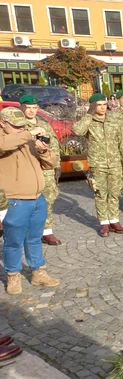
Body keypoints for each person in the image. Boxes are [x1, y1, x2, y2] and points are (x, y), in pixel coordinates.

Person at [0, 107, 60, 295]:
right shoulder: (6, 139)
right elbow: (3, 146)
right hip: (15, 199)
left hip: (37, 197)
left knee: (34, 238)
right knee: (13, 241)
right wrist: (28, 133)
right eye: (16, 126)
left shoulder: (26, 139)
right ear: (2, 123)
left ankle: (38, 272)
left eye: (22, 126)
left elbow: (50, 164)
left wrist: (43, 151)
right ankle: (13, 275)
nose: (20, 129)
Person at [72, 94, 123, 237]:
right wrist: (88, 115)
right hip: (97, 164)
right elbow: (77, 131)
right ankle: (104, 223)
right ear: (93, 106)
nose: (102, 107)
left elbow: (122, 141)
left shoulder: (113, 120)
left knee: (114, 193)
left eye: (104, 104)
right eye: (98, 105)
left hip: (115, 162)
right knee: (101, 194)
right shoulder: (89, 121)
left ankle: (114, 220)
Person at [19, 94, 63, 245]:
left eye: (34, 108)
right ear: (22, 108)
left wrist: (57, 164)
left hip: (46, 168)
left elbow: (54, 145)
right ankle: (29, 231)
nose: (31, 111)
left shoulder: (44, 125)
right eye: (28, 108)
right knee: (27, 201)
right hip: (27, 168)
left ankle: (47, 231)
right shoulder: (18, 126)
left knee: (48, 199)